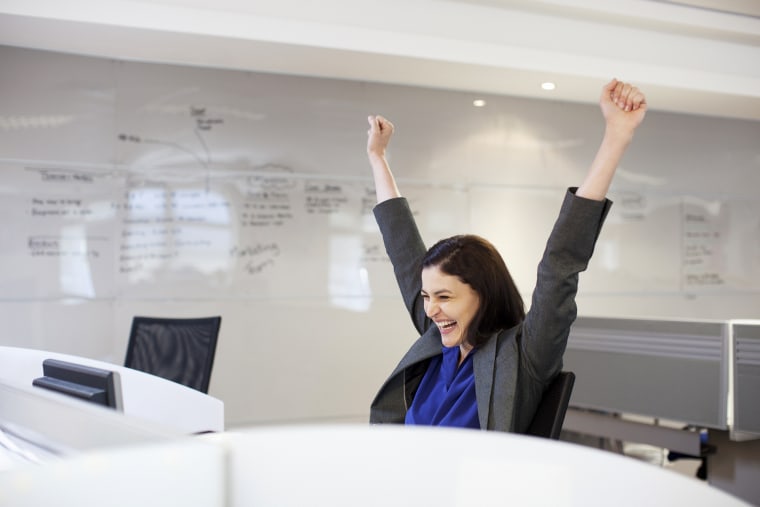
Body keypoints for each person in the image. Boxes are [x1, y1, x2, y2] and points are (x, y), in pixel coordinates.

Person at [365, 78, 647, 432]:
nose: (431, 308)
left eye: (444, 296)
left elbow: (559, 264)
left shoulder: (524, 355)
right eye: (426, 296)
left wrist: (617, 135)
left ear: (482, 294)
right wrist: (377, 158)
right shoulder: (438, 338)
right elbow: (402, 247)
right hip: (405, 478)